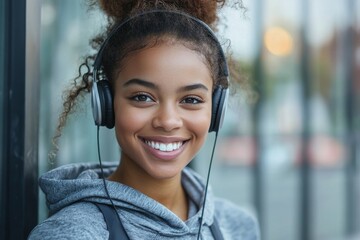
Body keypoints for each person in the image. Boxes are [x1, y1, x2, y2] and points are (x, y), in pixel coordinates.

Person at [29, 0, 260, 239]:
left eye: (191, 100)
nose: (168, 121)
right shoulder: (74, 233)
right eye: (142, 97)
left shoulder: (237, 226)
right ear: (106, 103)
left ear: (216, 110)